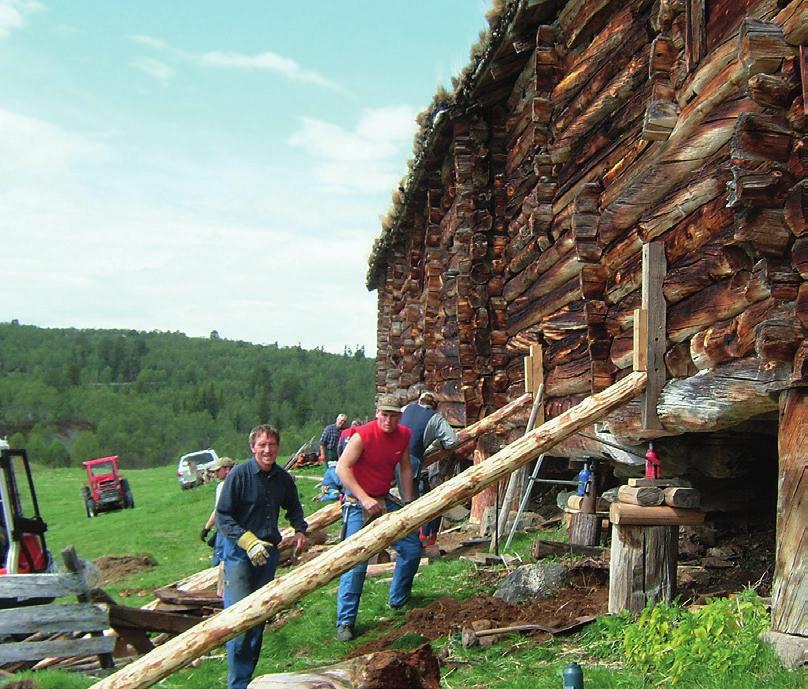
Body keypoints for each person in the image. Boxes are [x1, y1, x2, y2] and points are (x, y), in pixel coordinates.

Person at [216, 424, 309, 689]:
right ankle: (237, 683)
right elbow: (223, 515)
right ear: (253, 447)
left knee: (258, 618)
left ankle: (246, 679)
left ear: (278, 447)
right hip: (239, 555)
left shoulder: (282, 478)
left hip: (267, 555)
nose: (267, 450)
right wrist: (247, 541)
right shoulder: (239, 476)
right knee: (240, 620)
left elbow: (294, 507)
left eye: (272, 445)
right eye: (262, 445)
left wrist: (300, 529)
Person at [334, 394, 420, 642]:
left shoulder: (403, 435)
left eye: (393, 415)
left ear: (399, 417)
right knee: (356, 562)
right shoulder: (362, 435)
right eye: (384, 414)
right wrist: (363, 498)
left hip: (383, 499)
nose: (388, 420)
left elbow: (404, 467)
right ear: (377, 413)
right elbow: (342, 468)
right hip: (357, 504)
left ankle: (398, 600)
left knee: (412, 548)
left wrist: (407, 501)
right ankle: (346, 622)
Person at [400, 390, 458, 551]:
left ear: (419, 401)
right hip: (412, 460)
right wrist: (437, 445)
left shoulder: (405, 410)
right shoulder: (435, 418)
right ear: (435, 406)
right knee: (414, 501)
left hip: (392, 455)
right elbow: (452, 441)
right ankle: (418, 540)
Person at [199, 456, 236, 566]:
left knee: (220, 560)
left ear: (227, 469)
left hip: (225, 527)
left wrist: (206, 528)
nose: (215, 474)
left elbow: (218, 511)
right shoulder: (241, 481)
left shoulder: (223, 486)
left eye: (218, 471)